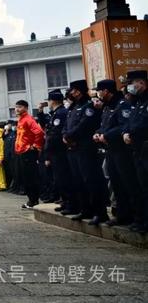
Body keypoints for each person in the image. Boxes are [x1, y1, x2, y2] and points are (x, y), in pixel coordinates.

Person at [93, 79, 138, 227]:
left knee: (128, 183)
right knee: (116, 184)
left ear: (106, 91)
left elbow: (124, 125)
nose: (98, 94)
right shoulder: (107, 107)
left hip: (122, 151)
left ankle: (135, 216)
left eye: (99, 91)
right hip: (110, 150)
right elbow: (103, 125)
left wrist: (107, 135)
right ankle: (122, 215)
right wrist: (98, 133)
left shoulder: (122, 105)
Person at [63, 79, 106, 224]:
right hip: (72, 149)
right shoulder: (74, 107)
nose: (72, 93)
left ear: (80, 90)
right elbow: (66, 125)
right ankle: (85, 209)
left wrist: (70, 136)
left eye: (74, 90)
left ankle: (99, 212)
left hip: (85, 148)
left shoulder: (89, 106)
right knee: (78, 180)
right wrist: (65, 136)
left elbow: (84, 125)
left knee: (91, 180)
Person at [39, 90, 75, 215]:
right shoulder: (55, 113)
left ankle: (71, 203)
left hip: (60, 151)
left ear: (52, 101)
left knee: (64, 179)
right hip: (54, 151)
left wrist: (48, 150)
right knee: (59, 179)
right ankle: (65, 202)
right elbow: (47, 129)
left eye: (49, 100)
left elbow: (54, 134)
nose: (48, 103)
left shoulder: (60, 113)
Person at [122, 70, 148, 233]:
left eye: (132, 83)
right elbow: (130, 121)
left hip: (145, 146)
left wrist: (131, 133)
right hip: (138, 149)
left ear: (142, 83)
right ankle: (143, 220)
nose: (130, 87)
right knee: (142, 186)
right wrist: (126, 132)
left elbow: (144, 124)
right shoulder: (138, 102)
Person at [14, 100, 44, 209]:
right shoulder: (21, 120)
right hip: (21, 152)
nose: (17, 109)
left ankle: (33, 201)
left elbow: (39, 132)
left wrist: (35, 146)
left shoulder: (28, 119)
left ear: (26, 108)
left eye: (20, 107)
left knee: (30, 177)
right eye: (16, 107)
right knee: (26, 177)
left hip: (28, 152)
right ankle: (31, 200)